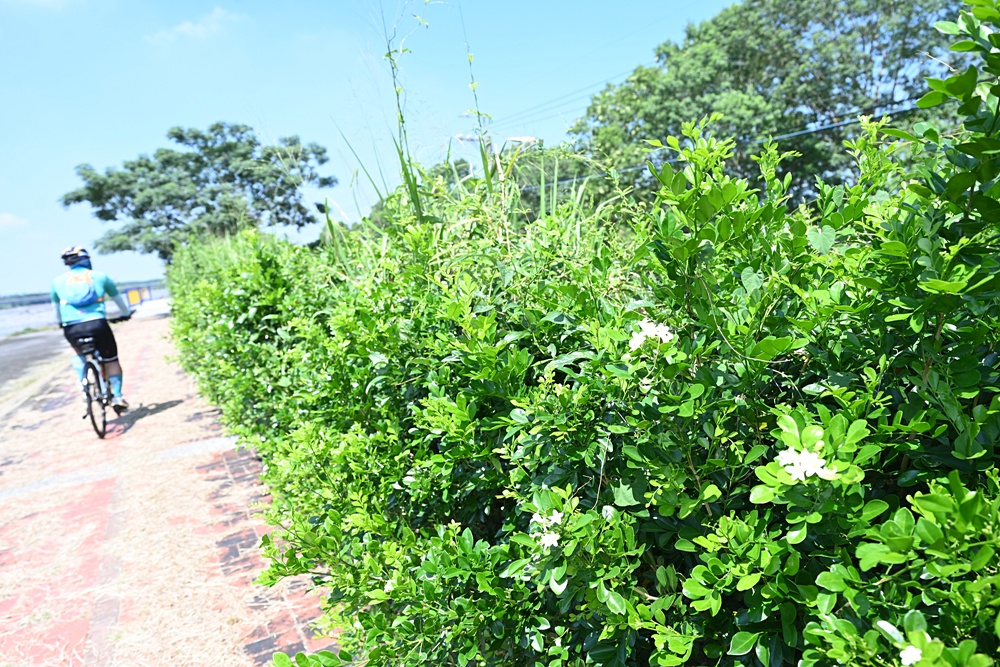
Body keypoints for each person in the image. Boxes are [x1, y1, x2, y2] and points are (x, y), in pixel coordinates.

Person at [51, 246, 132, 413]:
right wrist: (125, 314)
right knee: (111, 360)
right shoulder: (100, 276)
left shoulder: (57, 281)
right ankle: (117, 396)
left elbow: (56, 309)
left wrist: (61, 323)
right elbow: (117, 299)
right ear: (86, 259)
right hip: (97, 324)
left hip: (72, 327)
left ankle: (84, 385)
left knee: (77, 353)